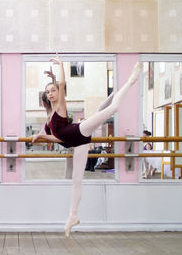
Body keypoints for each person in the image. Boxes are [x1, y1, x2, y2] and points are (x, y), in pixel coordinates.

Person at [32, 57, 142, 237]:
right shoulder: (49, 114)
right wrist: (41, 135)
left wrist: (60, 65)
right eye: (48, 92)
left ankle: (131, 79)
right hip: (77, 143)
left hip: (79, 131)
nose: (51, 93)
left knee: (112, 108)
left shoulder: (60, 107)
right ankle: (72, 216)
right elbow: (57, 138)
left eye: (54, 90)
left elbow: (61, 83)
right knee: (77, 180)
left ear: (60, 93)